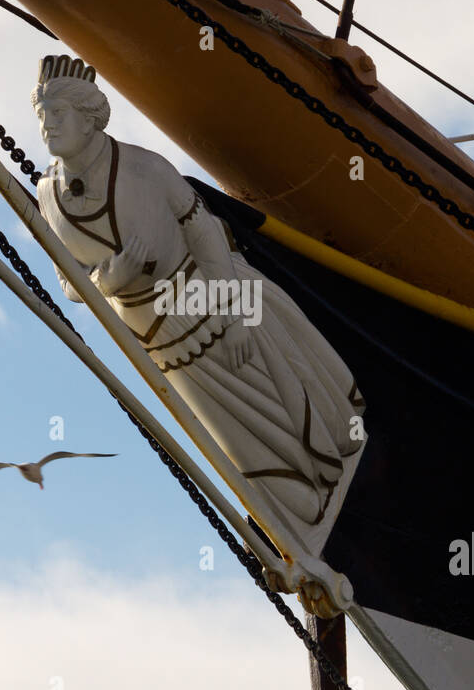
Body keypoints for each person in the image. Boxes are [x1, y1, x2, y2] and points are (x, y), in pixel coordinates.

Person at [31, 54, 365, 530]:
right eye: (41, 115)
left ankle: (330, 487)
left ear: (88, 117)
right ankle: (297, 518)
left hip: (213, 307)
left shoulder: (146, 169)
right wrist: (111, 280)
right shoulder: (47, 195)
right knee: (248, 456)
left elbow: (205, 232)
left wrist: (235, 315)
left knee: (301, 423)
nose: (47, 125)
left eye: (57, 113)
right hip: (161, 345)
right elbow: (69, 283)